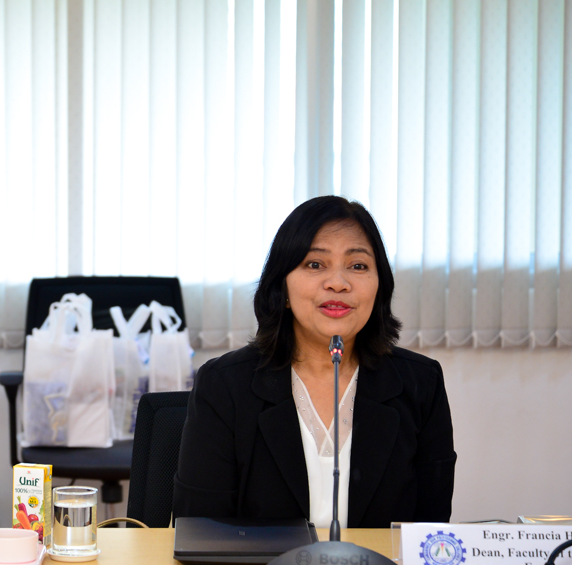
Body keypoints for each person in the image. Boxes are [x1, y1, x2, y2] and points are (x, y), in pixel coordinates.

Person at [173, 196, 456, 528]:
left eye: (358, 266)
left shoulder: (420, 384)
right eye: (315, 264)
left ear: (379, 287)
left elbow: (430, 535)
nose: (338, 282)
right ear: (283, 286)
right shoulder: (224, 386)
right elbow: (200, 532)